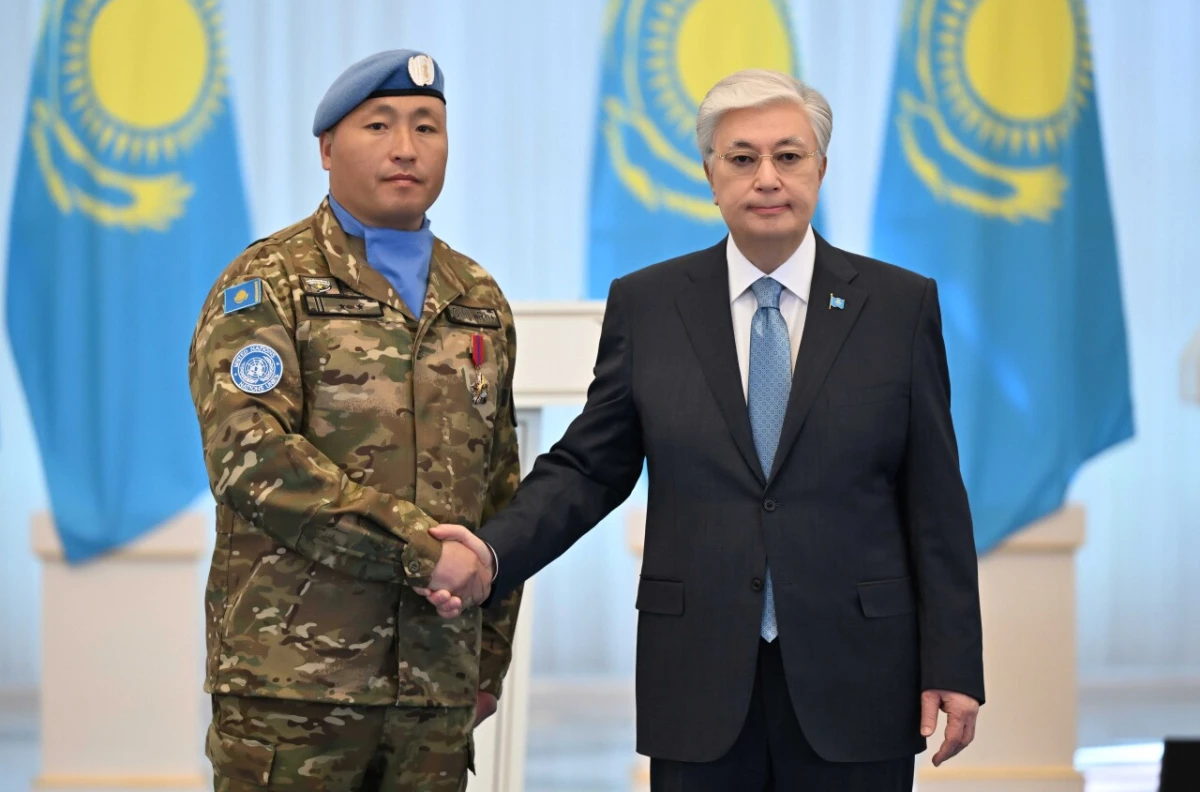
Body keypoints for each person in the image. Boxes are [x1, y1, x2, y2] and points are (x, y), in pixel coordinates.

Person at [422, 69, 984, 791]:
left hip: (859, 674)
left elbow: (934, 498)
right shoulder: (650, 305)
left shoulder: (898, 305)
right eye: (742, 158)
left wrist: (953, 662)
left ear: (820, 168)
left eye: (788, 156)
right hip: (699, 678)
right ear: (711, 176)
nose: (767, 178)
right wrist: (493, 551)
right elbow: (590, 468)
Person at [188, 48, 521, 791]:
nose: (406, 148)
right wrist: (419, 551)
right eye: (379, 125)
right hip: (295, 689)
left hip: (436, 688)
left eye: (427, 127)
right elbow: (252, 459)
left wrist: (486, 661)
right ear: (327, 149)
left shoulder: (477, 298)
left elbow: (500, 488)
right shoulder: (268, 282)